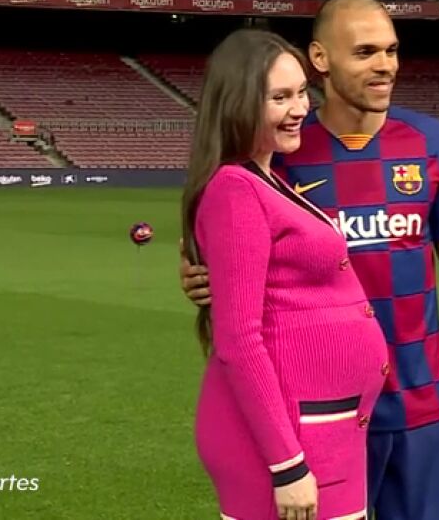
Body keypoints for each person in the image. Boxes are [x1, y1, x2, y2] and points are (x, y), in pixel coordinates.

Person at [181, 0, 439, 519]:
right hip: (320, 409)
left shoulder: (430, 142)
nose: (385, 65)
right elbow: (224, 232)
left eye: (391, 50)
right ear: (320, 58)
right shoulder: (281, 149)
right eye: (364, 52)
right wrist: (199, 275)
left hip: (419, 398)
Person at [184, 28, 388, 520]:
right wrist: (288, 465)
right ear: (238, 104)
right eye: (280, 97)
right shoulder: (235, 189)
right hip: (292, 442)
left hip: (323, 428)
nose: (299, 108)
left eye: (301, 92)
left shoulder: (268, 178)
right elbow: (238, 339)